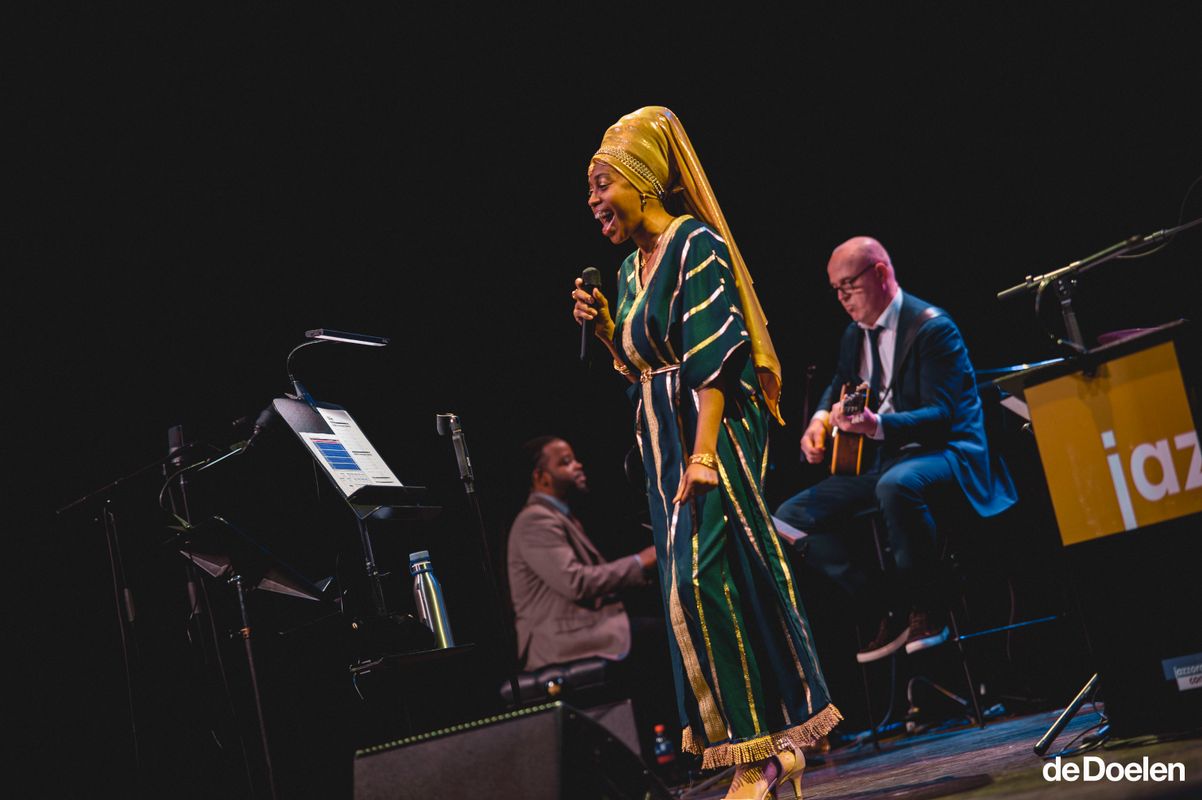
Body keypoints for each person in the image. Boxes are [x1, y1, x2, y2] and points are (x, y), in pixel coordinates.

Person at [572, 106, 841, 800]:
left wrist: (703, 456)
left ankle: (759, 754)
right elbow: (642, 363)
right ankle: (765, 754)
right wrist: (606, 330)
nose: (594, 201)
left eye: (603, 184)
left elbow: (714, 362)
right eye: (590, 190)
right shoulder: (628, 271)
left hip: (709, 431)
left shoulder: (696, 244)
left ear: (642, 181)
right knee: (694, 591)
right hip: (664, 443)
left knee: (699, 580)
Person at [774, 236, 1018, 665]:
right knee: (786, 518)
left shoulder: (932, 328)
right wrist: (820, 420)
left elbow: (942, 415)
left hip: (947, 453)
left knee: (896, 485)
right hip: (885, 461)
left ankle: (928, 604)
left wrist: (877, 425)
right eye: (835, 289)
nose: (842, 298)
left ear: (881, 274)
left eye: (849, 285)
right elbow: (840, 382)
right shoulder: (854, 335)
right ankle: (885, 602)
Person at [506, 436, 676, 762]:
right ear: (541, 477)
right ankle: (673, 749)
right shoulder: (535, 521)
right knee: (664, 636)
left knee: (663, 627)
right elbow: (577, 583)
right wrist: (642, 561)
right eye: (565, 462)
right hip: (559, 640)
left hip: (578, 628)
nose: (578, 465)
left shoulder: (559, 516)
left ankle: (667, 748)